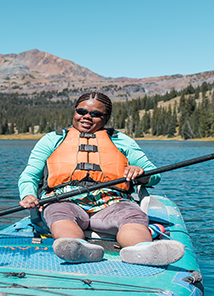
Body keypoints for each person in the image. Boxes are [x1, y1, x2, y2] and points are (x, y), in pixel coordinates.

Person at [18, 91, 185, 265]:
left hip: (112, 202)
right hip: (63, 200)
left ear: (106, 118)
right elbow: (29, 175)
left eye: (96, 114)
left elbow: (154, 175)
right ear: (75, 111)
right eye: (81, 111)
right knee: (59, 214)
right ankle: (76, 248)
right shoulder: (52, 140)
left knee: (131, 216)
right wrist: (28, 194)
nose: (86, 117)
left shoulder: (122, 141)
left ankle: (141, 249)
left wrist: (141, 173)